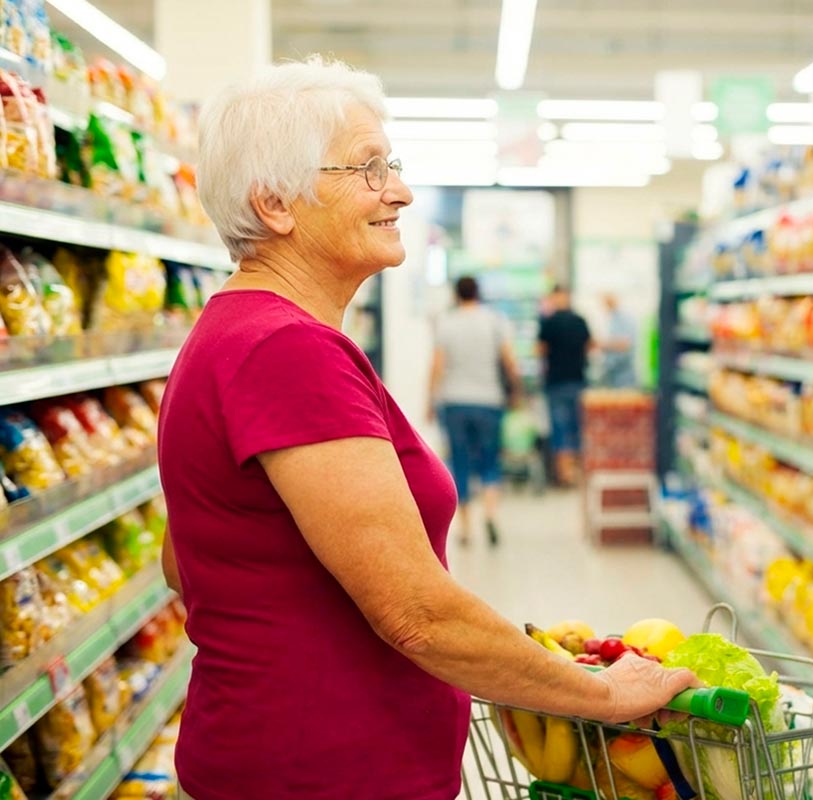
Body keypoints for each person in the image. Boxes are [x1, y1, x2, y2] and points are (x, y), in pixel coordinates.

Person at [156, 57, 697, 800]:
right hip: (323, 777)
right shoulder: (287, 349)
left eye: (394, 166)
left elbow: (187, 563)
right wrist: (606, 695)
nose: (400, 191)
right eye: (369, 169)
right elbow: (417, 614)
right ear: (275, 202)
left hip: (279, 758)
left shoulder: (233, 331)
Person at [428, 275, 519, 546]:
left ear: (456, 294)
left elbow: (437, 366)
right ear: (478, 294)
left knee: (460, 461)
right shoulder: (494, 321)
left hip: (454, 402)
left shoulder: (447, 323)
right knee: (490, 460)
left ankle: (465, 528)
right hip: (489, 401)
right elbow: (509, 361)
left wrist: (430, 401)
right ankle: (490, 514)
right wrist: (516, 390)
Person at [537, 285, 591, 486]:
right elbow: (589, 346)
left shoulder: (548, 322)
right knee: (578, 428)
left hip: (556, 383)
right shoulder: (580, 321)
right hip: (578, 380)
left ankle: (564, 475)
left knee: (560, 429)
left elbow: (540, 350)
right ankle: (578, 474)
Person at [598, 292, 638, 388]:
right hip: (613, 374)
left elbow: (625, 344)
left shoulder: (625, 319)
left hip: (624, 375)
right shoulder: (612, 319)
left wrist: (604, 344)